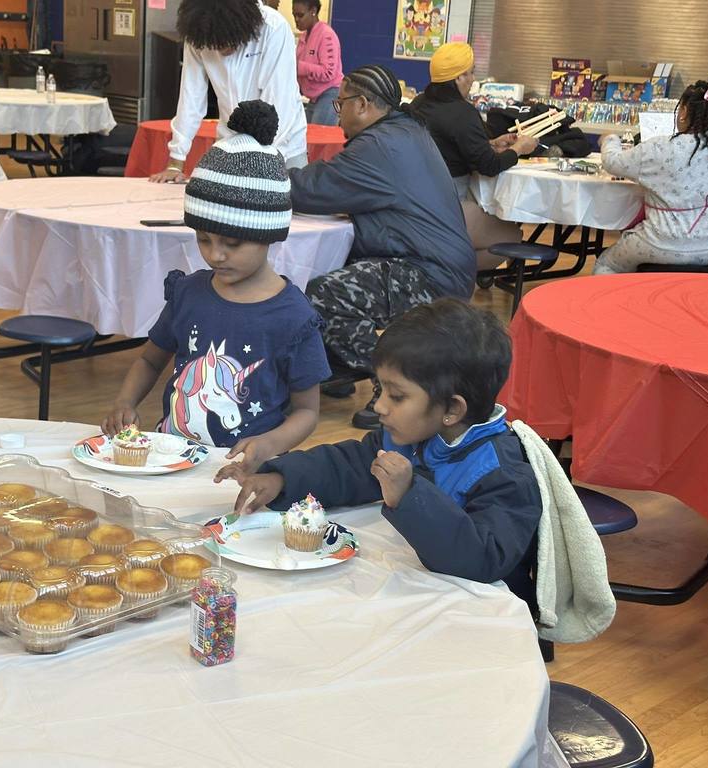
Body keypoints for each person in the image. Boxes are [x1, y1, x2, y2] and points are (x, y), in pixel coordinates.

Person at [219, 299, 542, 609]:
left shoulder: (504, 475)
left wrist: (410, 495)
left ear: (452, 409)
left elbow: (483, 562)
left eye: (398, 396)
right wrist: (281, 478)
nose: (380, 406)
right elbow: (350, 465)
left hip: (480, 622)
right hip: (419, 591)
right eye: (381, 389)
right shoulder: (414, 434)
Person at [104, 102, 330, 474]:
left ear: (269, 236)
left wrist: (269, 444)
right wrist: (124, 402)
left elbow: (307, 410)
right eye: (204, 239)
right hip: (170, 460)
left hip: (245, 473)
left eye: (232, 243)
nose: (215, 255)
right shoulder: (188, 293)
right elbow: (149, 359)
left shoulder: (294, 317)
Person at [288, 65, 476, 429]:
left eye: (340, 104)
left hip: (427, 273)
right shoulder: (405, 132)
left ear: (362, 104)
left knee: (325, 294)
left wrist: (257, 177)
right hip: (441, 264)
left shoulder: (378, 147)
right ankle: (335, 371)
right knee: (340, 279)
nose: (336, 112)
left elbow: (310, 189)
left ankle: (401, 381)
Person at [410, 42, 537, 270]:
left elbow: (445, 145)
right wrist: (519, 148)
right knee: (513, 236)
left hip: (412, 204)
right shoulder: (462, 112)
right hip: (448, 207)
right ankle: (445, 274)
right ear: (459, 78)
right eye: (471, 73)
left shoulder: (418, 104)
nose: (473, 80)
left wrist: (489, 143)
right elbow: (489, 165)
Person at [150, 0, 307, 183]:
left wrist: (259, 166)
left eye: (227, 43)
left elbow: (278, 105)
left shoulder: (273, 29)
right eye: (213, 46)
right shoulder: (199, 33)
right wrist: (175, 162)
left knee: (280, 206)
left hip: (282, 146)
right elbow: (190, 97)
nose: (220, 51)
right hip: (231, 142)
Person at [594, 79, 708, 274]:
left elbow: (613, 163)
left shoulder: (660, 147)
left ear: (684, 111)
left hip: (660, 243)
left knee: (607, 264)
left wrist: (610, 139)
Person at [292, 0, 343, 126]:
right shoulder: (304, 37)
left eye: (300, 15)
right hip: (313, 97)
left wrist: (300, 67)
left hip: (330, 93)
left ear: (313, 11)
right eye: (294, 15)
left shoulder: (326, 35)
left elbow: (328, 72)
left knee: (318, 140)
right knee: (306, 136)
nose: (296, 19)